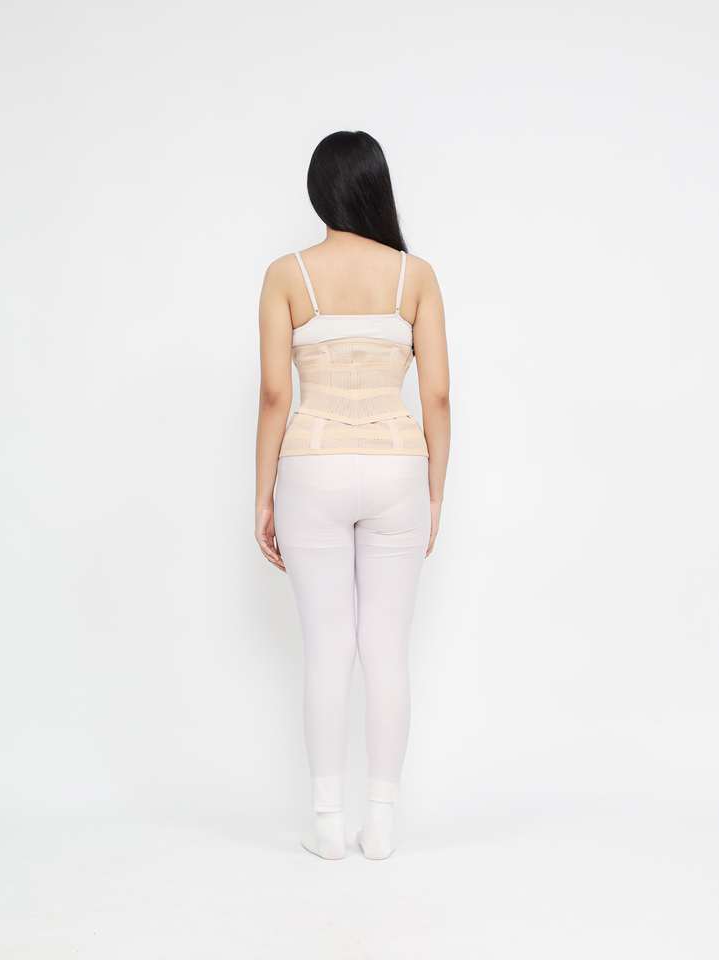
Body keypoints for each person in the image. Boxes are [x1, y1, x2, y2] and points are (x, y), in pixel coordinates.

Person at [254, 131, 450, 860]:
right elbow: (437, 395)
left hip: (311, 468)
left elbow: (275, 394)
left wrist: (262, 497)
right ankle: (383, 825)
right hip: (399, 468)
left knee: (327, 645)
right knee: (387, 647)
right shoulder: (415, 277)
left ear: (319, 190)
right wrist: (435, 493)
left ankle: (328, 825)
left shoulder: (286, 275)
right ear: (376, 186)